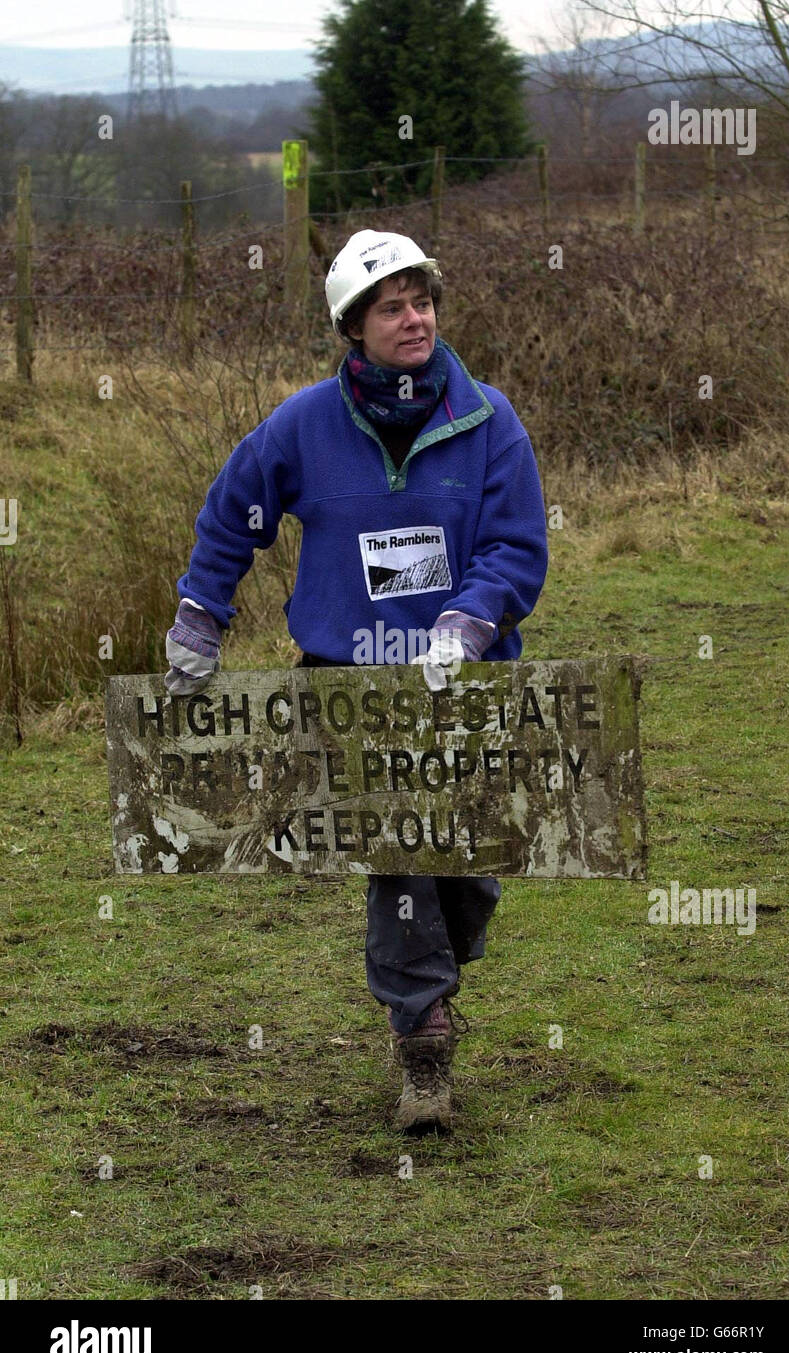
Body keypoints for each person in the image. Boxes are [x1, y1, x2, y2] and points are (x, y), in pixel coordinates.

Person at [165, 229, 548, 1133]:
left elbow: (518, 545)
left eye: (422, 301)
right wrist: (200, 614)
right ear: (354, 325)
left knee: (469, 864)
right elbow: (232, 515)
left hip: (467, 683)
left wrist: (473, 616)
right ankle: (424, 1046)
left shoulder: (489, 421)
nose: (414, 319)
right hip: (349, 687)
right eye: (392, 306)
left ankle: (435, 983)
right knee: (402, 858)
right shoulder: (303, 426)